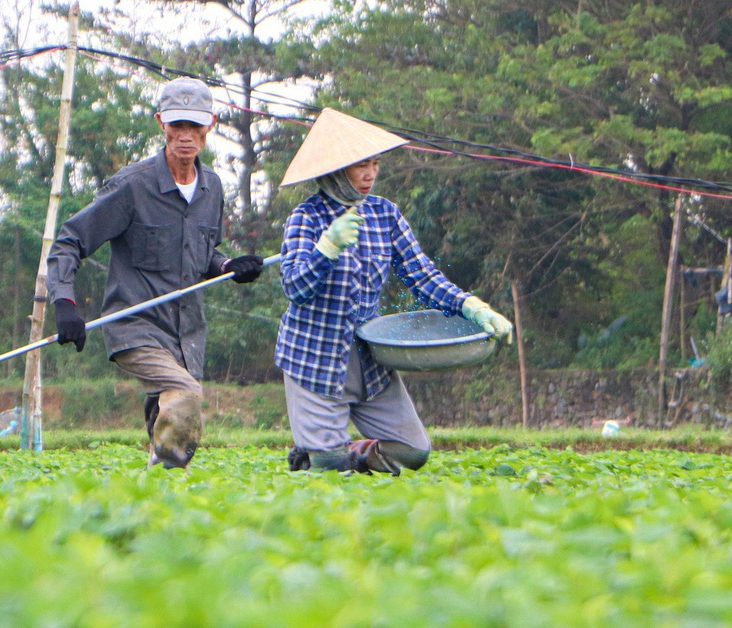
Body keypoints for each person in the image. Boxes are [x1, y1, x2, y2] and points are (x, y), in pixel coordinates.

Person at [276, 108, 513, 475]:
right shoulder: (306, 218)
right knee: (328, 468)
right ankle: (320, 456)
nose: (370, 174)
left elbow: (421, 274)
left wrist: (470, 305)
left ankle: (351, 454)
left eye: (374, 164)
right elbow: (295, 287)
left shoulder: (385, 214)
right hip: (314, 359)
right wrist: (325, 250)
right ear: (336, 169)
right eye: (360, 166)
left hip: (368, 358)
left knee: (412, 450)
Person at [46, 77, 265, 469]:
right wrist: (64, 303)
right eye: (177, 125)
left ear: (210, 125)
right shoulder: (133, 186)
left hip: (187, 335)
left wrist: (229, 267)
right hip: (136, 325)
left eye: (194, 126)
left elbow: (202, 254)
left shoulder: (211, 187)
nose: (186, 136)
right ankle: (161, 477)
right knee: (184, 394)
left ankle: (158, 503)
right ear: (160, 122)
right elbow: (70, 240)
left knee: (166, 426)